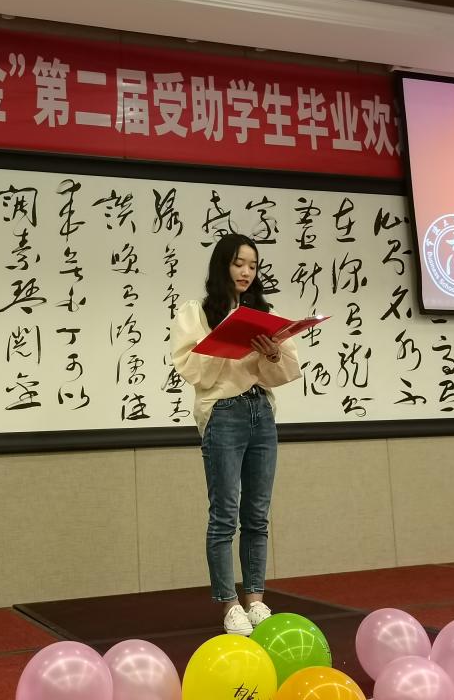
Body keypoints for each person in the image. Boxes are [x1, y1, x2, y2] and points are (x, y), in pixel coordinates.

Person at [170, 234, 301, 636]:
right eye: (238, 263)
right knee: (224, 514)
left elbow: (283, 372)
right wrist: (225, 340)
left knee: (257, 515)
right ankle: (229, 603)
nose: (246, 272)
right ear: (222, 265)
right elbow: (190, 369)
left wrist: (272, 352)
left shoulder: (264, 313)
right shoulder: (197, 311)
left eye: (253, 265)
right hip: (223, 412)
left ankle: (255, 598)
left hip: (261, 410)